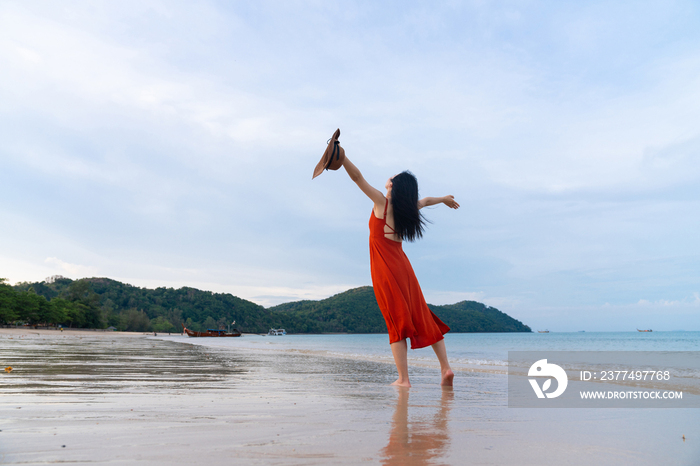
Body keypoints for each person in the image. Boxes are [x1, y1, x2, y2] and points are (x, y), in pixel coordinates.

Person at [341, 155, 460, 387]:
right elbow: (424, 201)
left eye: (392, 177)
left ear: (392, 186)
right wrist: (444, 199)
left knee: (395, 322)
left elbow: (357, 178)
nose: (389, 177)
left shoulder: (381, 204)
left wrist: (343, 157)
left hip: (385, 269)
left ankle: (403, 379)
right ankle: (445, 368)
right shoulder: (407, 210)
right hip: (405, 268)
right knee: (423, 315)